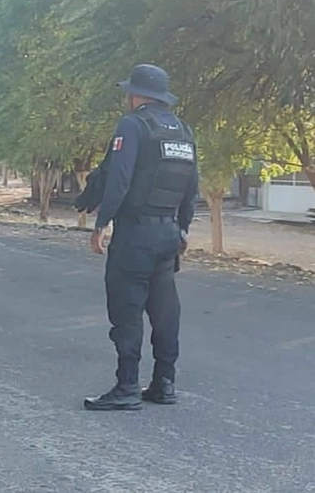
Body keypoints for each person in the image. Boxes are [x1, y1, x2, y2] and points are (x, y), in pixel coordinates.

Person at [83, 64, 199, 411]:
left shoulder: (132, 126)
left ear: (135, 95)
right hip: (168, 233)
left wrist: (102, 223)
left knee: (127, 309)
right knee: (164, 311)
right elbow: (192, 188)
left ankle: (127, 387)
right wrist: (183, 228)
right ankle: (164, 383)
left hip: (135, 233)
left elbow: (119, 178)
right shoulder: (182, 130)